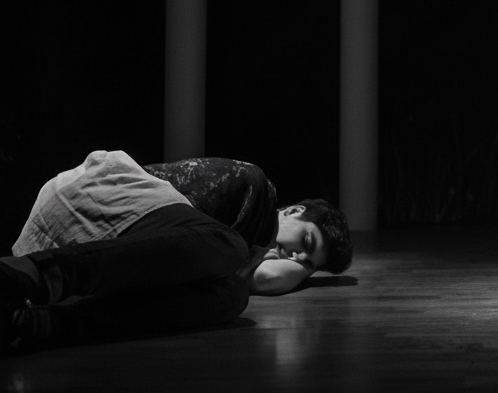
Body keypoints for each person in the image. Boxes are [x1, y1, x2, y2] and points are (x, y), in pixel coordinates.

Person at [1, 150, 352, 354]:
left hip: (106, 249)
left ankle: (34, 325)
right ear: (293, 212)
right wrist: (276, 266)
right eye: (304, 244)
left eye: (307, 267)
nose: (294, 259)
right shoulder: (258, 188)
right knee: (230, 252)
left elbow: (252, 280)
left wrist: (294, 267)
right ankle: (29, 275)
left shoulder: (240, 256)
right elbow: (249, 267)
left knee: (230, 298)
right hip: (97, 196)